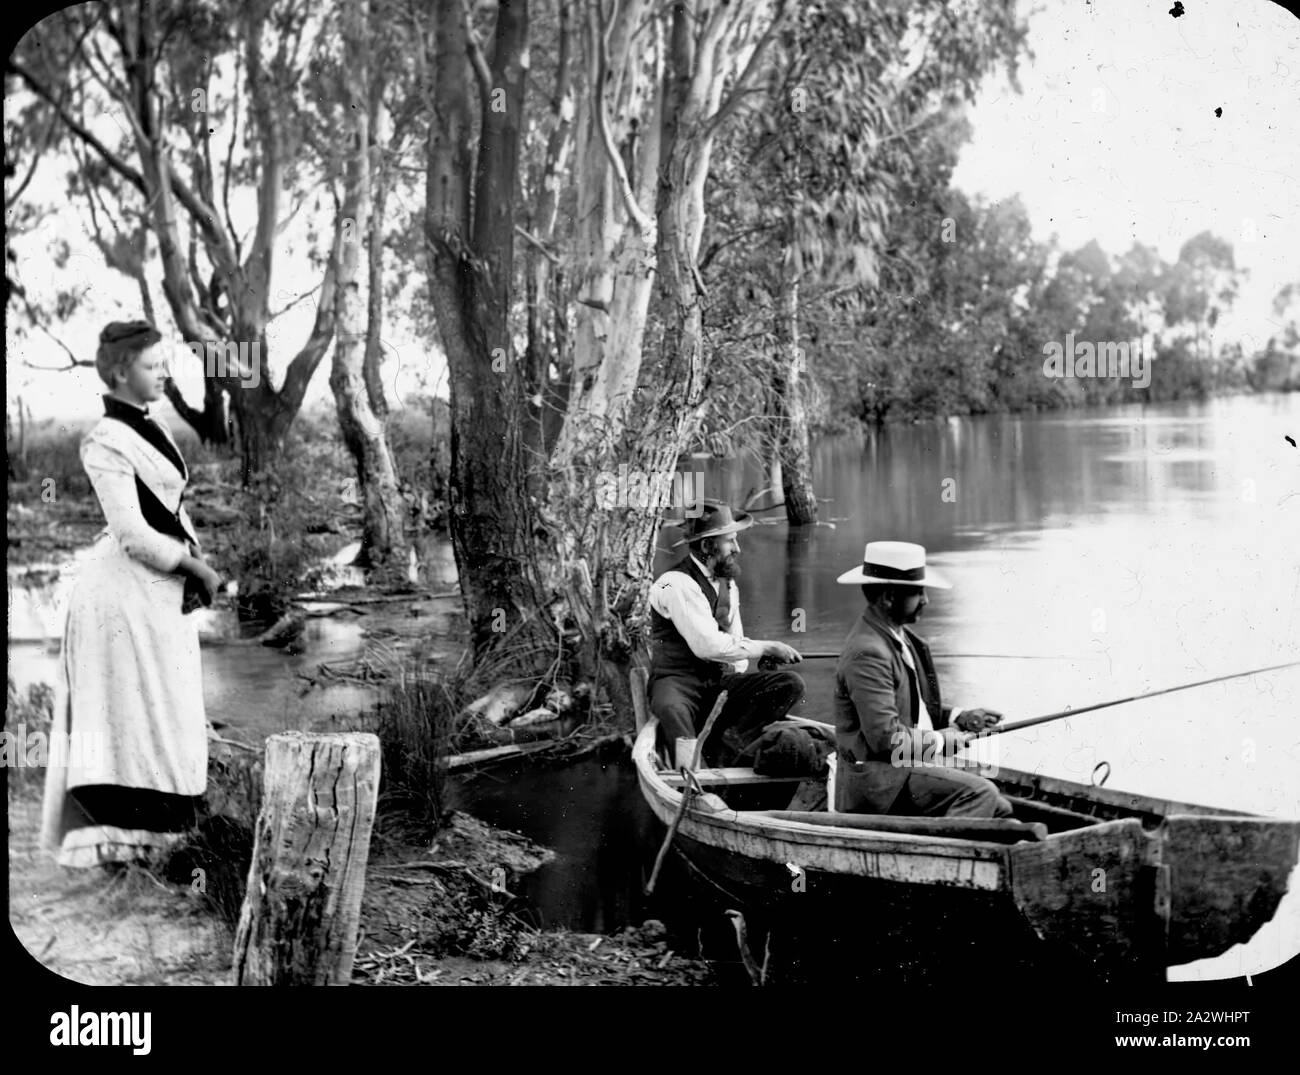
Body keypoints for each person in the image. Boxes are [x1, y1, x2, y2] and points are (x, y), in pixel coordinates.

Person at [40, 321, 222, 869]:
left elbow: (170, 509)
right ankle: (119, 844)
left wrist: (190, 567)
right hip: (117, 594)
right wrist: (194, 566)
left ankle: (165, 839)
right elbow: (131, 531)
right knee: (125, 713)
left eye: (164, 362)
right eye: (152, 365)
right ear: (121, 372)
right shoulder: (105, 439)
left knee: (166, 707)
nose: (164, 372)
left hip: (152, 591)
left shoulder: (149, 426)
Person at [833, 540, 1012, 818]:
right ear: (889, 597)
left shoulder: (899, 638)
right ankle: (939, 855)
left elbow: (915, 710)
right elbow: (885, 739)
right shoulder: (868, 653)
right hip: (882, 786)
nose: (926, 600)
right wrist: (941, 742)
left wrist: (960, 717)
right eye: (918, 593)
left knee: (1000, 809)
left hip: (908, 771)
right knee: (981, 793)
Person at [647, 501, 805, 767]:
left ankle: (730, 744)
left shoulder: (727, 584)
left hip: (715, 684)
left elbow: (736, 646)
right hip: (677, 683)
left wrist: (748, 672)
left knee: (790, 684)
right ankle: (692, 777)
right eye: (730, 541)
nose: (738, 548)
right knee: (673, 712)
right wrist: (766, 647)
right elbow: (707, 646)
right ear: (708, 546)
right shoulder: (675, 583)